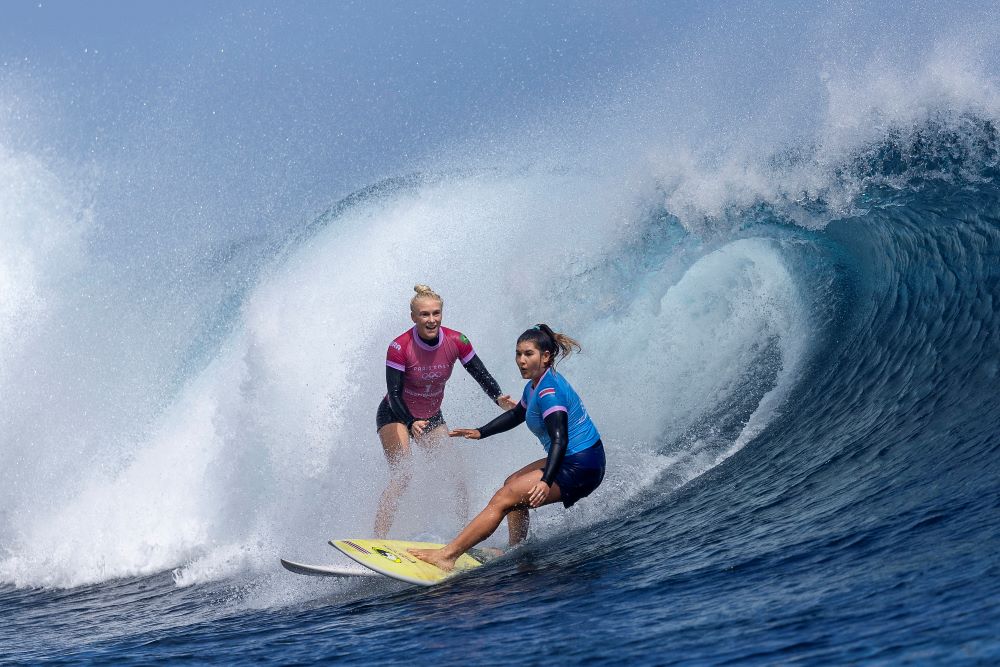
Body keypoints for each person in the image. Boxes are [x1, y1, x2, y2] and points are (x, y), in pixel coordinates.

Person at [409, 323, 605, 571]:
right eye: (518, 354)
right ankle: (517, 549)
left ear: (546, 357)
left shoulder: (549, 393)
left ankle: (447, 555)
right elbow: (517, 415)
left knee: (503, 498)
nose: (521, 361)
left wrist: (546, 481)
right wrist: (481, 432)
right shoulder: (535, 384)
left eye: (528, 354)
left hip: (582, 464)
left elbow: (560, 439)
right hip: (577, 457)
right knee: (511, 483)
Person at [374, 284, 514, 538]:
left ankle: (463, 536)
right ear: (414, 317)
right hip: (396, 414)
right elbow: (394, 394)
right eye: (425, 315)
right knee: (403, 475)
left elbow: (478, 372)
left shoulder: (456, 341)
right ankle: (378, 541)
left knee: (456, 476)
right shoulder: (399, 347)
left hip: (431, 417)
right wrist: (410, 420)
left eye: (436, 313)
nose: (431, 320)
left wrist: (497, 397)